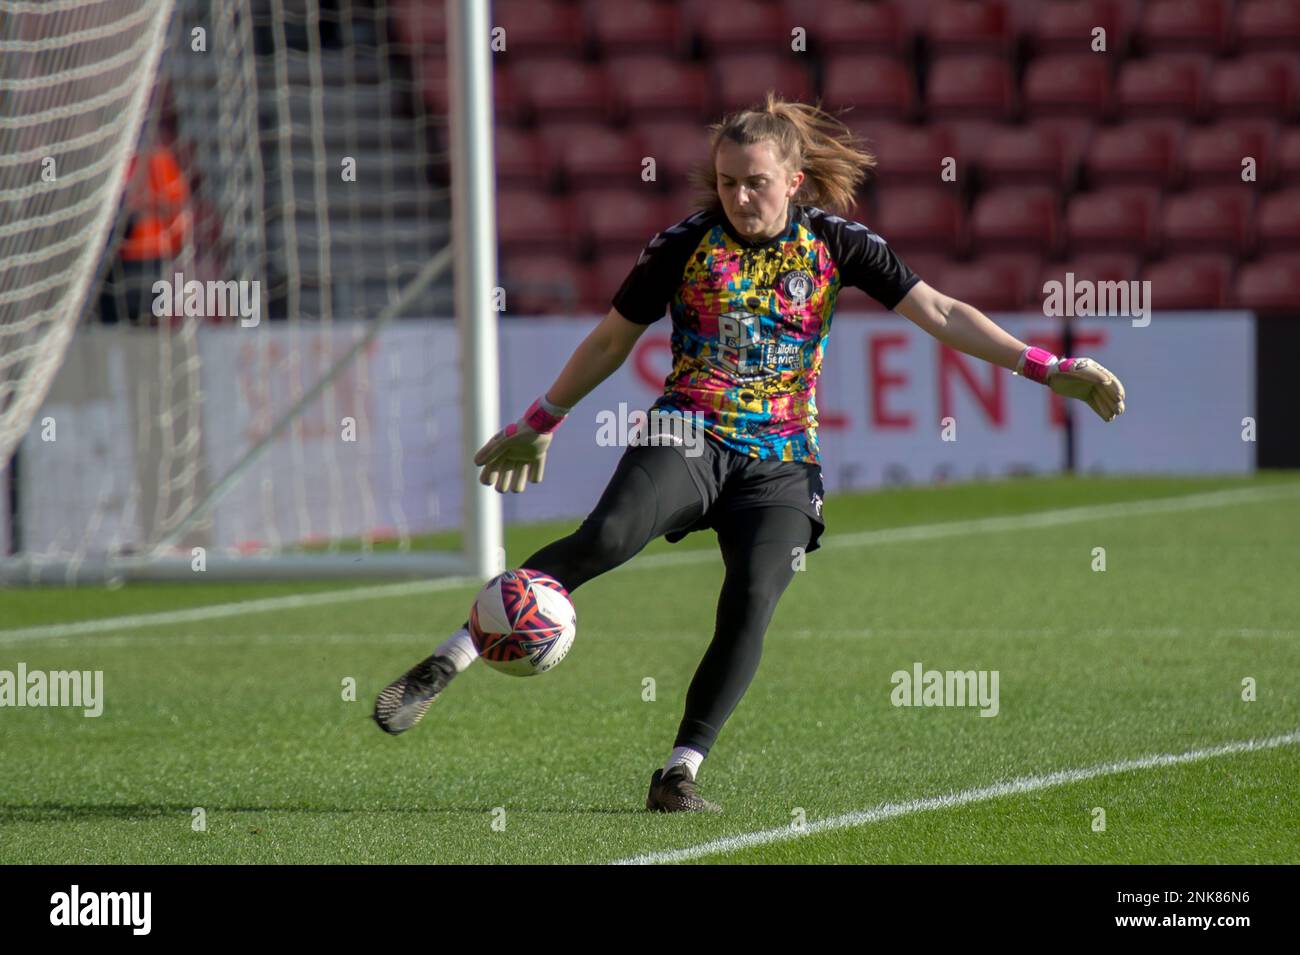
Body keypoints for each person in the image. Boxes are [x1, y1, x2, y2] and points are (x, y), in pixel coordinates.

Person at [373, 93, 1126, 812]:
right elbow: (611, 339)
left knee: (753, 599)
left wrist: (1049, 367)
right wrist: (542, 418)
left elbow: (941, 310)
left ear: (793, 181)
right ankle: (455, 653)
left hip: (782, 460)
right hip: (687, 430)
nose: (740, 197)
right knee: (606, 537)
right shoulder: (683, 244)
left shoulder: (836, 243)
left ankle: (678, 771)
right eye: (729, 182)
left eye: (757, 183)